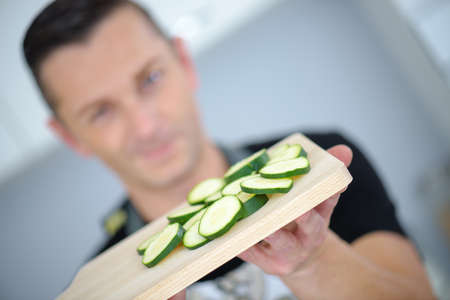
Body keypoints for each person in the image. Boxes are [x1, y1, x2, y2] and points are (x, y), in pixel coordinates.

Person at [23, 0, 435, 299]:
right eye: (101, 112)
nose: (145, 127)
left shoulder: (317, 164)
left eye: (150, 79)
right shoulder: (106, 288)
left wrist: (310, 262)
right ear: (70, 137)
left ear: (184, 63)